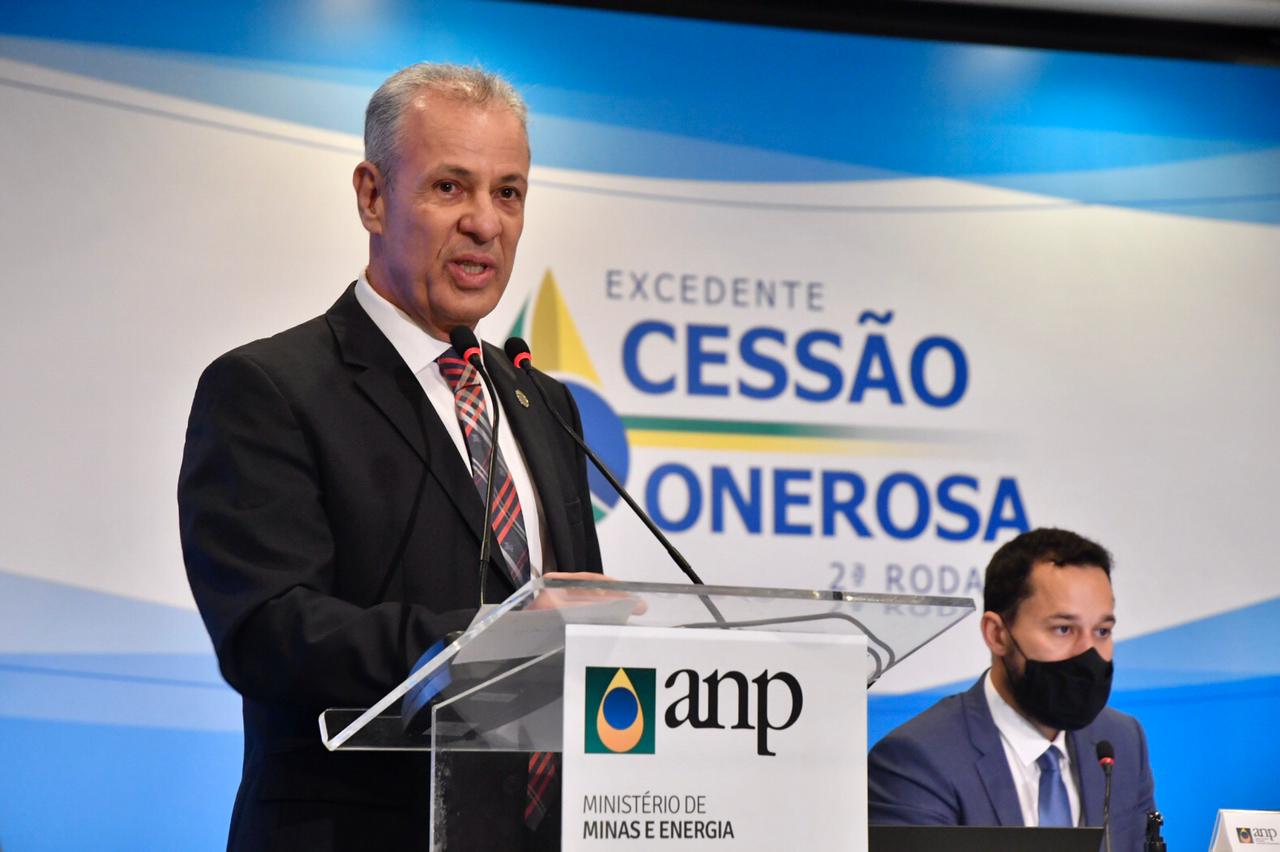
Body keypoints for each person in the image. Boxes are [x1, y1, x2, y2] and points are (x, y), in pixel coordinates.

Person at [179, 63, 603, 851]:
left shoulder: (542, 403)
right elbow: (268, 632)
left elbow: (572, 629)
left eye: (509, 192)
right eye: (450, 187)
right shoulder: (270, 390)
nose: (485, 223)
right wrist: (486, 639)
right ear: (372, 196)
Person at [867, 528, 1156, 851]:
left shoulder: (1122, 741)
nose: (1088, 652)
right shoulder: (918, 759)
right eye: (1063, 629)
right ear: (997, 634)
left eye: (1102, 631)